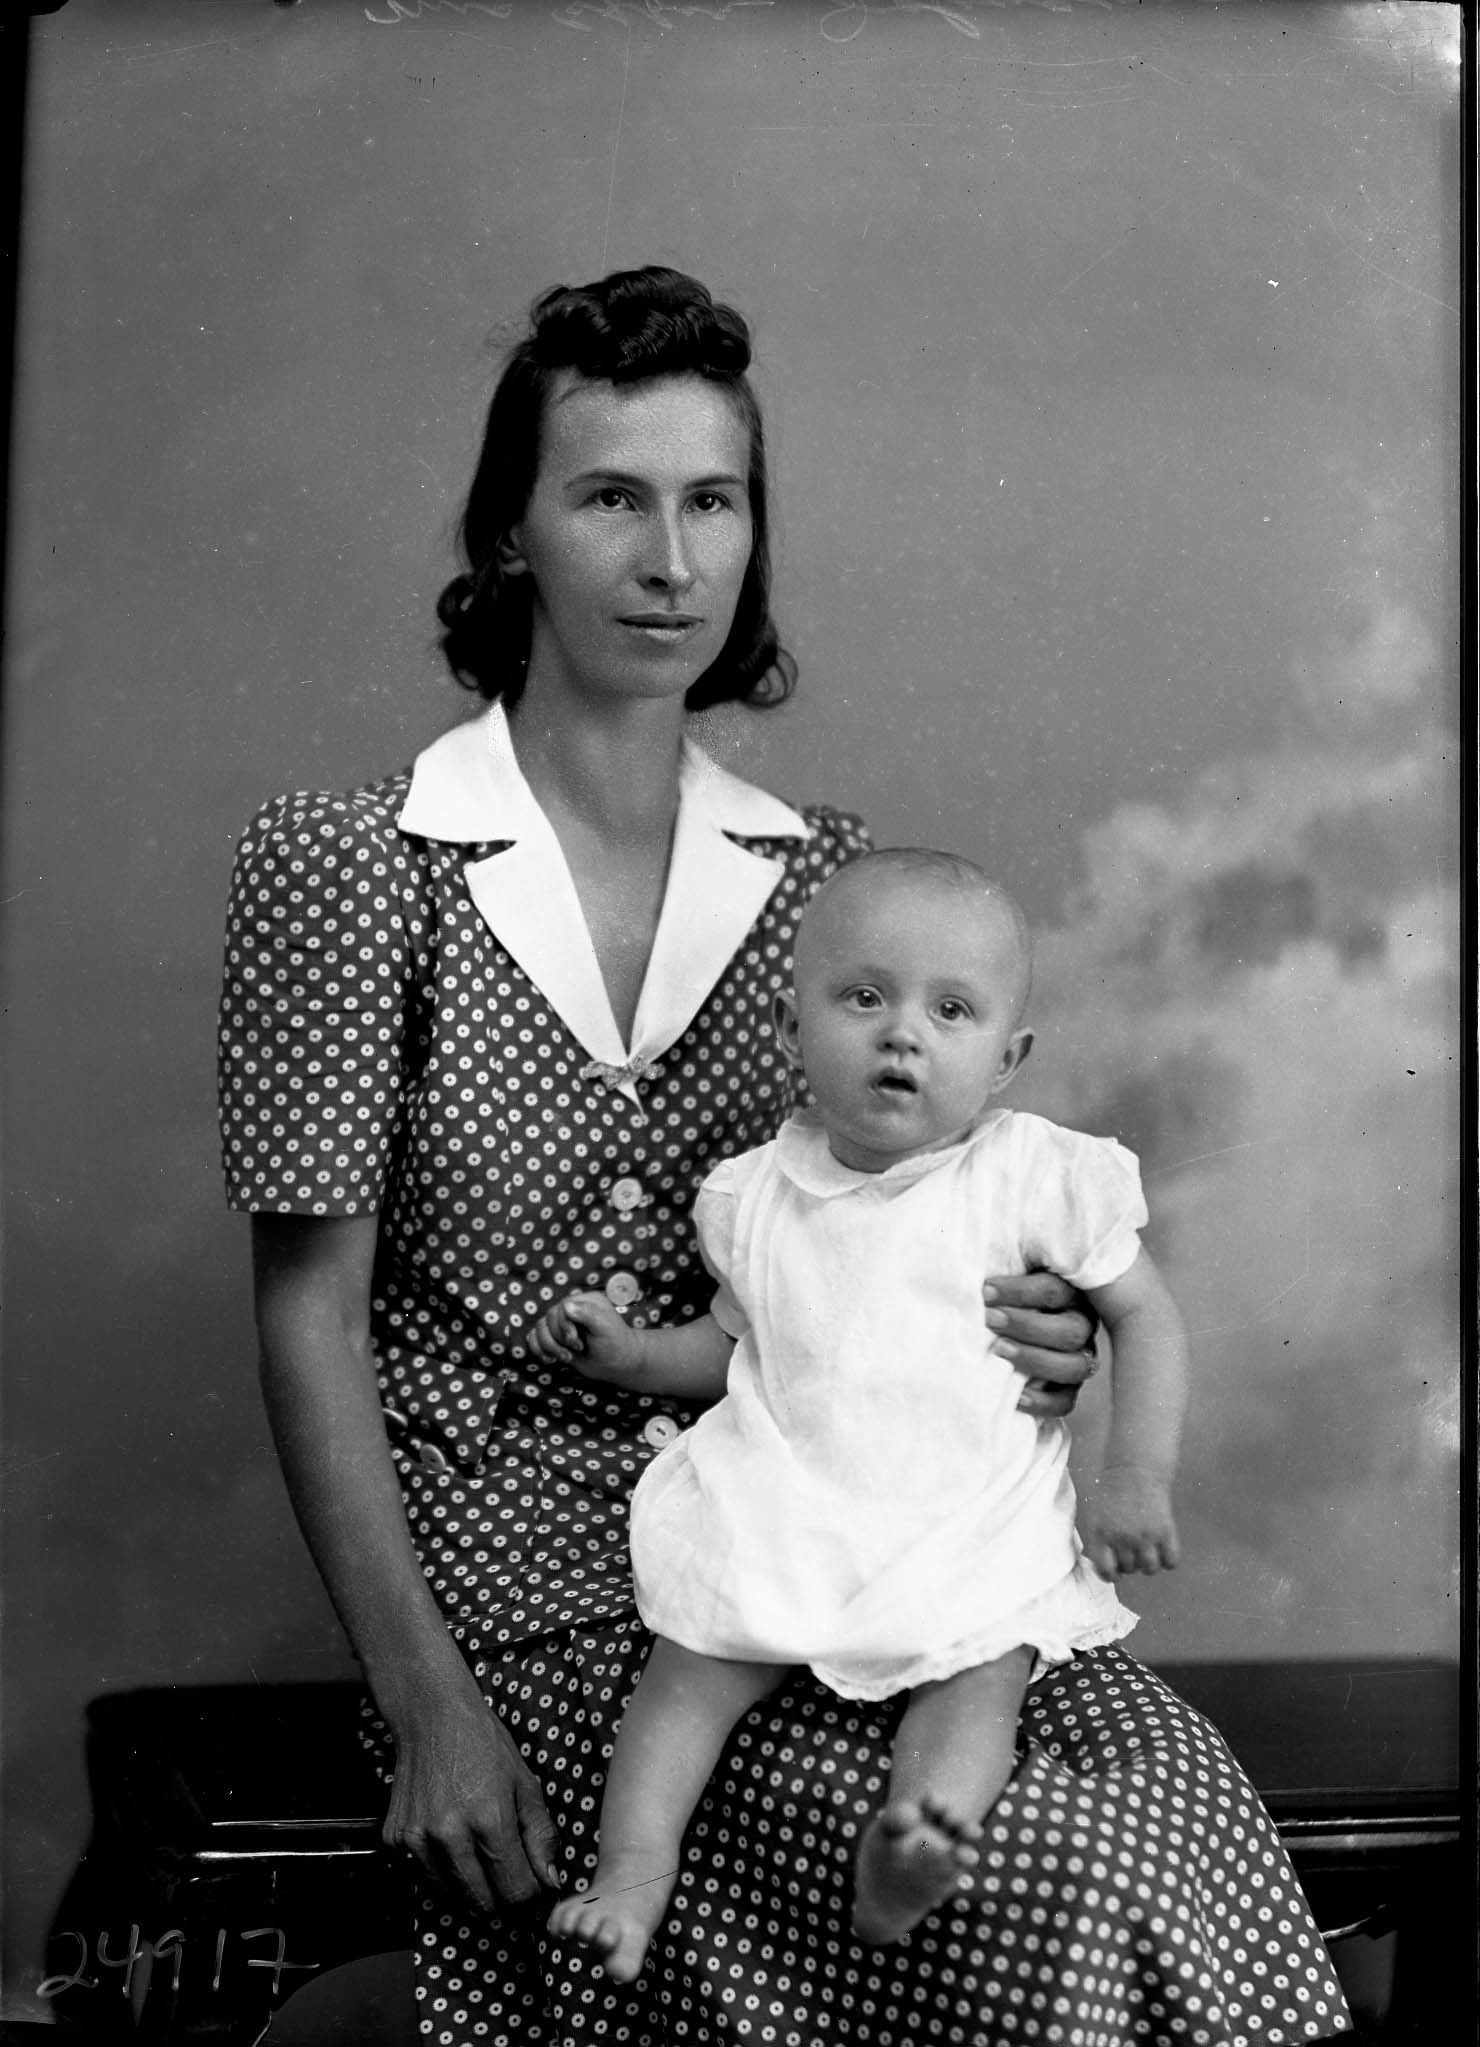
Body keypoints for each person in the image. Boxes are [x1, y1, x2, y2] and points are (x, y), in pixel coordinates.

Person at [219, 266, 1351, 2044]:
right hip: (527, 1590)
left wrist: (1047, 1328)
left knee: (1167, 1803)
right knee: (1049, 1864)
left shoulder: (829, 884)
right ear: (511, 532)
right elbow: (310, 1318)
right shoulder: (352, 863)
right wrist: (427, 1699)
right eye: (611, 497)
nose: (671, 560)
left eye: (715, 500)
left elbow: (914, 1224)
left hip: (867, 1520)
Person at [532, 849, 1188, 1982]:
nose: (903, 1035)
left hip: (964, 1522)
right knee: (685, 1677)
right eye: (865, 997)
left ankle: (916, 1847)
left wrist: (1134, 1474)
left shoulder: (1030, 1175)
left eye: (951, 1011)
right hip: (786, 1499)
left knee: (976, 1677)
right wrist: (630, 1352)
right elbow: (737, 1347)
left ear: (1006, 1060)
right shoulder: (752, 1193)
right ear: (792, 1031)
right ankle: (633, 1875)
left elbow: (1147, 1316)